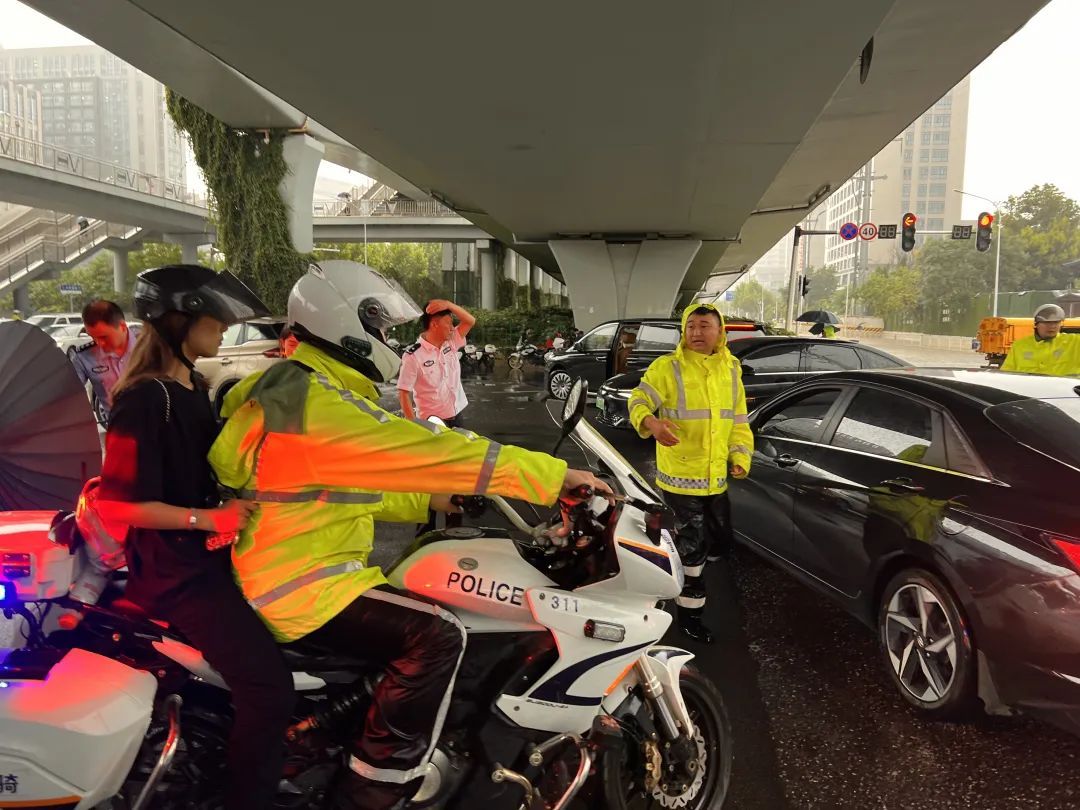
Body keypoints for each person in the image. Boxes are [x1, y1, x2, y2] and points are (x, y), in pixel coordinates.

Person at [209, 261, 610, 810]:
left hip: (283, 567)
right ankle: (375, 788)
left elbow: (340, 485)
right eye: (379, 327)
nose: (386, 339)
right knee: (439, 633)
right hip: (302, 585)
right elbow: (425, 448)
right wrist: (553, 476)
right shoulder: (316, 402)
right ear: (347, 325)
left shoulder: (296, 390)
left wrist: (430, 500)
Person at [95, 265, 294, 810]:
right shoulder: (144, 399)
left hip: (206, 560)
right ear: (180, 321)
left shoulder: (195, 387)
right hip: (174, 573)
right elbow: (117, 504)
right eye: (216, 319)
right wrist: (208, 520)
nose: (225, 329)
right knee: (268, 688)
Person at [627, 302, 754, 644]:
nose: (697, 333)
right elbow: (637, 400)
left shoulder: (731, 370)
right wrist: (651, 423)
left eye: (705, 326)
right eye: (691, 326)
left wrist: (740, 456)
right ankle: (689, 617)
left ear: (720, 331)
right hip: (680, 477)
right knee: (693, 549)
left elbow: (738, 421)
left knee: (720, 540)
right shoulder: (667, 367)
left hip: (716, 477)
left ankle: (674, 570)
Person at [397, 298, 475, 427]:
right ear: (434, 325)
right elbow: (403, 393)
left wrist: (448, 305)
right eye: (448, 324)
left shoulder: (451, 342)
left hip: (457, 417)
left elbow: (470, 321)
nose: (452, 328)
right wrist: (414, 425)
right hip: (431, 422)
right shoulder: (413, 356)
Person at [69, 301, 139, 422]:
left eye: (103, 337)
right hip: (119, 427)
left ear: (122, 326)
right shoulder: (84, 358)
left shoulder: (148, 347)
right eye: (93, 337)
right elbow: (68, 394)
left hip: (158, 425)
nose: (99, 343)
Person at [1002, 304, 1080, 376]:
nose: (1052, 326)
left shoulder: (1074, 342)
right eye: (1047, 323)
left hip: (1062, 386)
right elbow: (1006, 375)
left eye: (1056, 322)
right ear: (1036, 324)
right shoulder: (1019, 346)